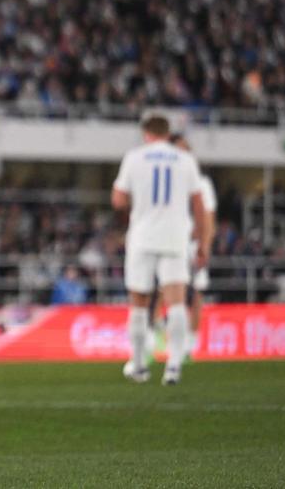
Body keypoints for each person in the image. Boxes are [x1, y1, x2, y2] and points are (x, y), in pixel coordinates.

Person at [111, 114, 209, 386]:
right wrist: (201, 242)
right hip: (175, 237)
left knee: (139, 303)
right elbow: (199, 205)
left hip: (143, 236)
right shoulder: (185, 160)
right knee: (176, 302)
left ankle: (140, 365)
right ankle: (174, 366)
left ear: (146, 133)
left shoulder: (135, 157)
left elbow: (118, 200)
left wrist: (137, 202)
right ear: (168, 133)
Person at [170, 133, 216, 361]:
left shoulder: (202, 183)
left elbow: (209, 217)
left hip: (193, 244)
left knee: (197, 293)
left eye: (186, 149)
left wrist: (205, 245)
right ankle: (161, 334)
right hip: (170, 242)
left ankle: (191, 343)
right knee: (167, 291)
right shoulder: (167, 179)